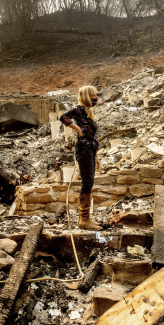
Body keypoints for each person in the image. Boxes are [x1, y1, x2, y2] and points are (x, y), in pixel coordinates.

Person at [59, 85, 102, 231]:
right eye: (92, 95)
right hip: (83, 149)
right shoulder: (79, 109)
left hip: (90, 149)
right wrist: (77, 129)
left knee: (89, 181)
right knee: (87, 181)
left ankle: (86, 218)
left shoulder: (88, 112)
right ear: (85, 97)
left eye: (95, 95)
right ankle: (84, 219)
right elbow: (63, 117)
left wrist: (96, 155)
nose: (96, 98)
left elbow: (92, 136)